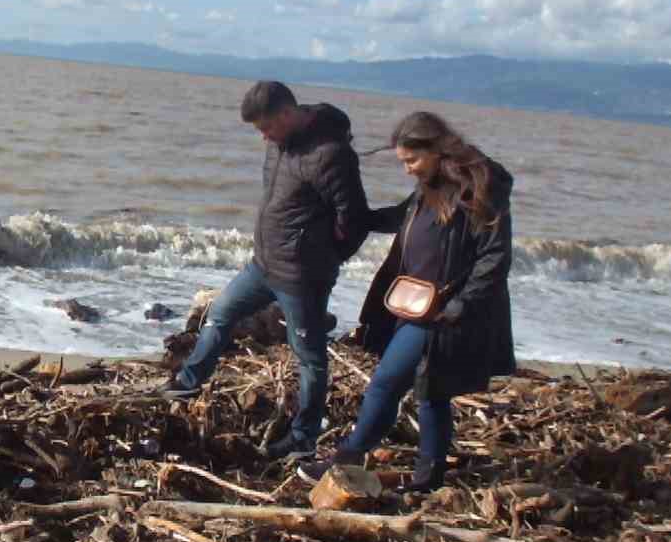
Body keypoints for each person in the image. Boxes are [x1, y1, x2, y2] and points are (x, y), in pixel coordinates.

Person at [297, 110, 514, 492]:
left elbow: (495, 256)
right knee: (432, 391)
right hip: (417, 303)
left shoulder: (478, 187)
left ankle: (346, 459)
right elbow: (402, 218)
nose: (408, 169)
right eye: (403, 161)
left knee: (386, 384)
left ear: (436, 149)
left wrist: (460, 307)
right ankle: (429, 477)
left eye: (412, 160)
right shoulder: (429, 186)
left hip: (445, 312)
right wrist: (349, 217)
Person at [161, 81, 369, 461]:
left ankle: (303, 438)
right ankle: (188, 384)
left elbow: (355, 221)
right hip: (262, 264)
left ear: (287, 115)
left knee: (309, 357)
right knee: (220, 314)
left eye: (265, 129)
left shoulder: (331, 155)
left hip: (302, 277)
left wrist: (322, 260)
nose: (262, 138)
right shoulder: (279, 144)